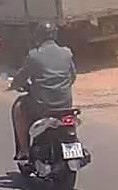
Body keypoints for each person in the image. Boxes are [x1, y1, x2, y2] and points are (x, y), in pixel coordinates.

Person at [9, 22, 76, 161]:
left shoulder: (34, 55)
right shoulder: (66, 53)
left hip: (42, 107)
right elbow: (73, 76)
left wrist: (14, 85)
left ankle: (24, 150)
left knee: (18, 107)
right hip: (65, 106)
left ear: (38, 36)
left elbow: (21, 78)